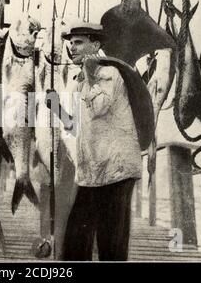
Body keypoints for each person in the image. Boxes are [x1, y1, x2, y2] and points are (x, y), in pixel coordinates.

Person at [46, 21, 143, 261]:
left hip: (115, 172)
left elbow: (99, 106)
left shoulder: (108, 73)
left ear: (96, 44)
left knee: (111, 246)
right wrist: (57, 107)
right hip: (92, 173)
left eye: (78, 42)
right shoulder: (81, 79)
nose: (72, 48)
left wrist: (89, 76)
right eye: (70, 43)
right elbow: (74, 126)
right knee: (74, 245)